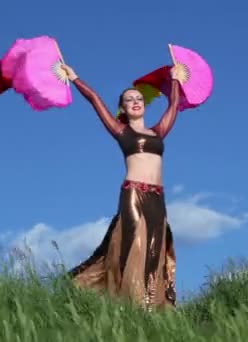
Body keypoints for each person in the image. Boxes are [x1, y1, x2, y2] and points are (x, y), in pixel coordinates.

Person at [59, 63, 181, 311]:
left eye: (138, 98)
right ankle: (127, 302)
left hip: (158, 197)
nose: (135, 101)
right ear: (123, 108)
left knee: (154, 251)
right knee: (133, 247)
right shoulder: (121, 131)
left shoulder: (158, 132)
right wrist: (75, 78)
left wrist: (176, 80)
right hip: (133, 193)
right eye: (129, 100)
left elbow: (174, 106)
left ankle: (150, 307)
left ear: (144, 104)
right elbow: (94, 99)